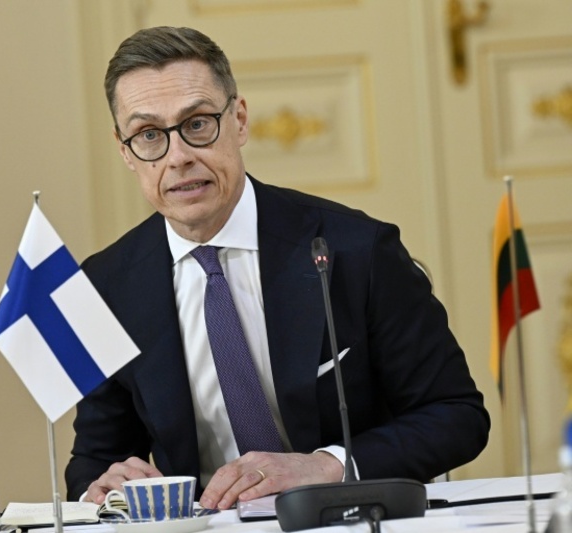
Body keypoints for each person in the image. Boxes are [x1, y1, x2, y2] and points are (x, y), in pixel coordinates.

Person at [64, 26, 489, 510]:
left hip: (346, 518)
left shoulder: (356, 250)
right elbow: (95, 458)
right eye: (148, 135)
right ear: (125, 150)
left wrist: (327, 466)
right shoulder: (107, 285)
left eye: (198, 124)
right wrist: (102, 486)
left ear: (239, 120)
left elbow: (456, 415)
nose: (178, 157)